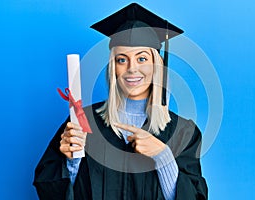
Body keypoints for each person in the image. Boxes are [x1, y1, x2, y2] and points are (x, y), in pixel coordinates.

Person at [33, 3, 208, 200]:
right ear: (113, 67)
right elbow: (49, 190)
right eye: (122, 60)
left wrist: (163, 157)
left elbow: (194, 197)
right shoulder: (84, 121)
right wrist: (71, 162)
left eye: (142, 59)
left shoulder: (183, 132)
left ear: (157, 65)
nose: (132, 69)